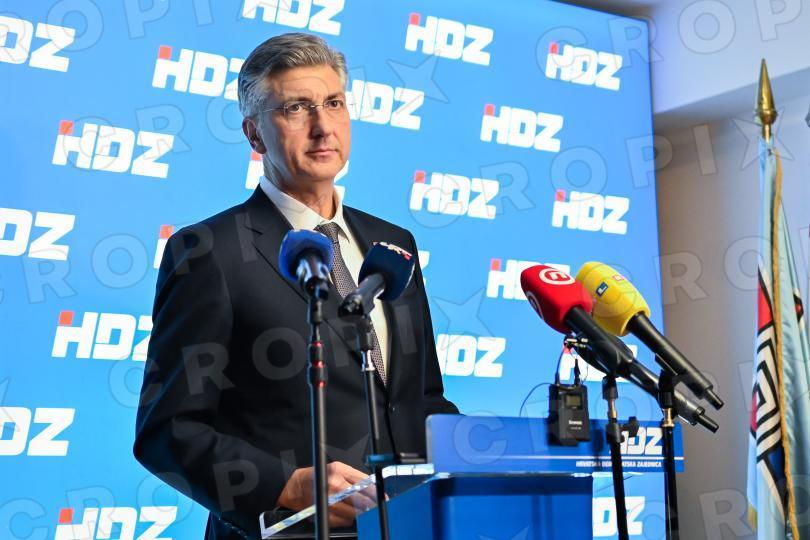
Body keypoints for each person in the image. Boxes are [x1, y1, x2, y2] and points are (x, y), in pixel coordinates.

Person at [133, 32, 458, 539]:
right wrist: (286, 485)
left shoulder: (395, 244)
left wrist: (489, 453)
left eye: (334, 103)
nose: (322, 126)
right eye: (296, 108)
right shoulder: (209, 251)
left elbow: (422, 398)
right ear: (254, 134)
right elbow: (169, 431)